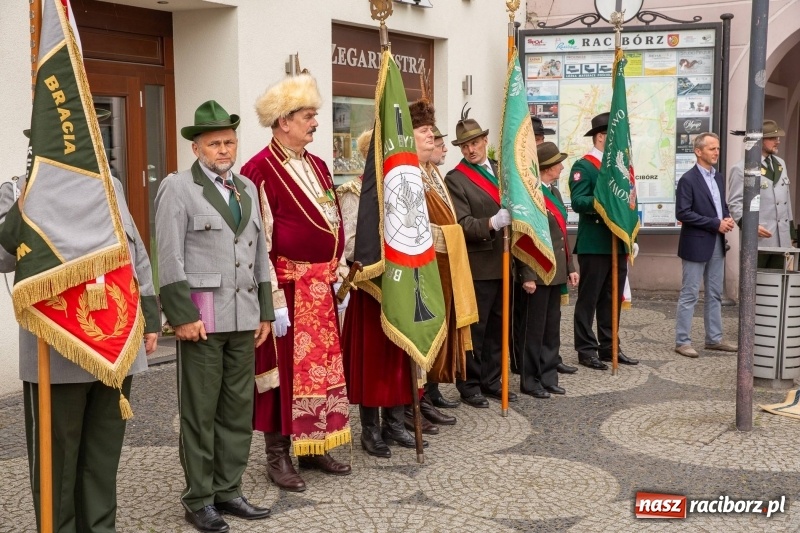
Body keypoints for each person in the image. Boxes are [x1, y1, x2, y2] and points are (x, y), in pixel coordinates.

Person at [0, 167, 159, 533]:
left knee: (102, 457)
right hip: (56, 350)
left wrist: (149, 316)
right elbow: (3, 258)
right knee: (57, 461)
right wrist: (23, 204)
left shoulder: (111, 183)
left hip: (116, 344)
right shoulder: (19, 188)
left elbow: (133, 250)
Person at [155, 100, 273, 532]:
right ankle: (199, 498)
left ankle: (229, 489)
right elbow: (168, 255)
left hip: (243, 318)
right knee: (200, 412)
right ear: (197, 148)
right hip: (202, 320)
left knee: (237, 409)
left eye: (229, 142)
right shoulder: (178, 188)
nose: (225, 150)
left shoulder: (245, 187)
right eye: (215, 143)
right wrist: (180, 314)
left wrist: (264, 310)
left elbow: (260, 252)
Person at [242, 72, 352, 493]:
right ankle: (278, 455)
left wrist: (337, 272)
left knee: (321, 372)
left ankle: (313, 443)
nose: (315, 123)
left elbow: (332, 223)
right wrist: (271, 298)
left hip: (320, 289)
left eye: (314, 115)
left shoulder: (320, 166)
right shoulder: (258, 170)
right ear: (284, 120)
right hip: (287, 291)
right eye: (309, 116)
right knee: (281, 373)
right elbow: (258, 241)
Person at [339, 129, 426, 456]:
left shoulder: (402, 189)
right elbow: (348, 242)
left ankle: (395, 423)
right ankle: (371, 429)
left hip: (400, 283)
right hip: (370, 285)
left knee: (397, 356)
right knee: (373, 359)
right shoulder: (353, 191)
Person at [408, 99, 478, 428]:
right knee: (429, 329)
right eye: (431, 137)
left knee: (443, 326)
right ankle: (418, 399)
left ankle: (430, 391)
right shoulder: (412, 174)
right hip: (429, 262)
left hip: (446, 260)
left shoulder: (432, 172)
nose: (440, 146)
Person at [445, 109, 518, 408]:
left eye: (474, 143)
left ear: (485, 140)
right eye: (464, 146)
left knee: (501, 327)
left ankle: (492, 380)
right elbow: (461, 224)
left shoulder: (501, 171)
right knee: (477, 329)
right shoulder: (456, 179)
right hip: (478, 265)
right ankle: (470, 383)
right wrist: (492, 223)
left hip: (505, 262)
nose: (470, 149)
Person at [569, 112, 639, 370]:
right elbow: (578, 202)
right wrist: (604, 201)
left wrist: (630, 233)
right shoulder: (584, 166)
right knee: (589, 300)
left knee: (612, 299)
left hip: (617, 243)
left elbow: (628, 202)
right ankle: (586, 350)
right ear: (601, 137)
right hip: (595, 244)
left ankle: (610, 347)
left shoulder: (620, 168)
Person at [513, 142, 579, 398]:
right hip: (538, 273)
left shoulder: (554, 192)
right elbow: (524, 238)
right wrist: (527, 275)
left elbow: (562, 235)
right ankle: (530, 381)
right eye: (559, 162)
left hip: (557, 271)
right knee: (534, 330)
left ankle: (549, 375)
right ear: (549, 167)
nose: (562, 166)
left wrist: (570, 267)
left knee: (552, 327)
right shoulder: (532, 194)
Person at [675, 132, 738, 358]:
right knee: (690, 293)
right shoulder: (688, 180)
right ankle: (682, 341)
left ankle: (714, 339)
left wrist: (727, 218)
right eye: (712, 148)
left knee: (714, 293)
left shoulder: (718, 177)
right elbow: (683, 213)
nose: (716, 152)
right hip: (695, 244)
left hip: (717, 244)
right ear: (698, 151)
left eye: (718, 148)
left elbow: (720, 206)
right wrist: (715, 223)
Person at [728, 119, 796, 268]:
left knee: (778, 284)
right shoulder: (741, 168)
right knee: (757, 285)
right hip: (759, 239)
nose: (777, 141)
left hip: (782, 239)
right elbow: (735, 203)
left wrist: (791, 233)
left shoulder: (780, 164)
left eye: (778, 138)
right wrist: (749, 225)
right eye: (772, 138)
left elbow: (786, 200)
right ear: (760, 140)